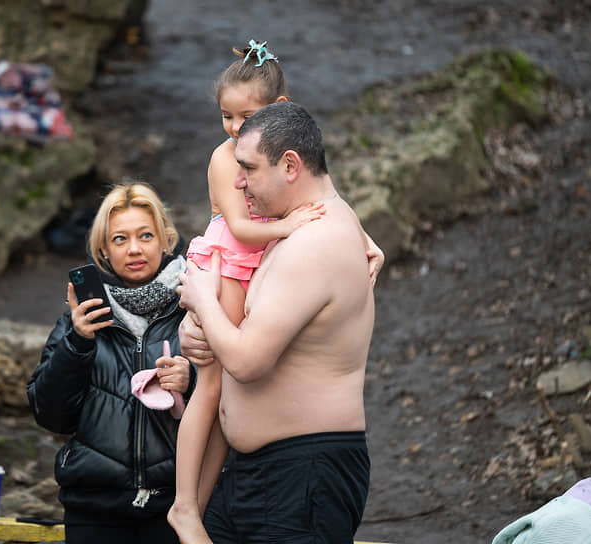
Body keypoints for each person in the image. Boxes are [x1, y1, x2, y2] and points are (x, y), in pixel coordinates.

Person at [168, 40, 384, 544]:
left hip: (302, 476)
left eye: (248, 170)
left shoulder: (315, 241)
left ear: (290, 166)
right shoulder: (296, 224)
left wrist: (201, 301)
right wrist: (200, 332)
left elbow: (245, 361)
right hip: (254, 473)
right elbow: (238, 330)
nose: (236, 185)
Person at [26, 182, 194, 544]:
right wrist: (77, 342)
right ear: (103, 249)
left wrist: (190, 381)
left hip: (177, 504)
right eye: (119, 239)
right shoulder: (80, 320)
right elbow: (49, 415)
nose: (134, 249)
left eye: (145, 235)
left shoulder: (195, 307)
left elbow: (234, 397)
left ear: (165, 240)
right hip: (94, 507)